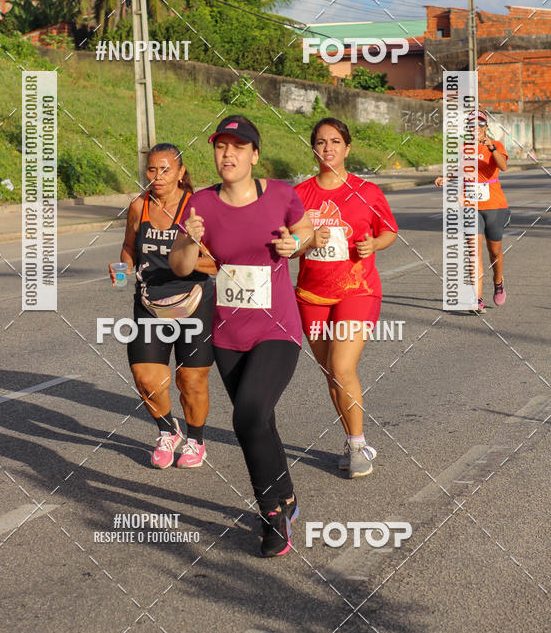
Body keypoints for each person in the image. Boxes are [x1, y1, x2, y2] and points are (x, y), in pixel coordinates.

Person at [169, 115, 315, 558]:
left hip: (278, 328)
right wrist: (191, 241)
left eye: (237, 147)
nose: (227, 154)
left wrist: (297, 243)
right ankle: (287, 496)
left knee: (247, 414)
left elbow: (305, 228)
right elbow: (179, 265)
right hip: (228, 334)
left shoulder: (281, 195)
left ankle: (270, 513)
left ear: (254, 155)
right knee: (260, 420)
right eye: (220, 147)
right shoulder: (202, 204)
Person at [294, 118, 398, 479]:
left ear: (347, 148)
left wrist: (374, 244)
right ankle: (353, 440)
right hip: (311, 295)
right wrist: (306, 242)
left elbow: (388, 232)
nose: (328, 148)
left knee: (341, 367)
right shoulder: (300, 195)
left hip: (358, 290)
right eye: (321, 142)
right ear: (314, 148)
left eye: (335, 141)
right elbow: (287, 248)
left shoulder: (367, 192)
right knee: (330, 373)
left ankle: (357, 445)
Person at [110, 143, 216, 469]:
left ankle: (196, 440)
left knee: (191, 381)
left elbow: (217, 262)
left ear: (181, 173)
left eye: (166, 169)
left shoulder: (196, 209)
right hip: (149, 303)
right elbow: (129, 247)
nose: (157, 176)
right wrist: (123, 268)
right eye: (152, 169)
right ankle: (168, 431)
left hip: (193, 303)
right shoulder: (138, 206)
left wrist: (189, 261)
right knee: (145, 376)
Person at [435, 110, 509, 311]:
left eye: (478, 125)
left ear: (485, 127)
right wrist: (448, 178)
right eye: (470, 126)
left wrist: (491, 147)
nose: (474, 129)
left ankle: (498, 281)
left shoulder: (497, 145)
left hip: (494, 204)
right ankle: (476, 298)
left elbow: (503, 166)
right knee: (473, 251)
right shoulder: (464, 148)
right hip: (469, 204)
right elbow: (462, 168)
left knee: (494, 251)